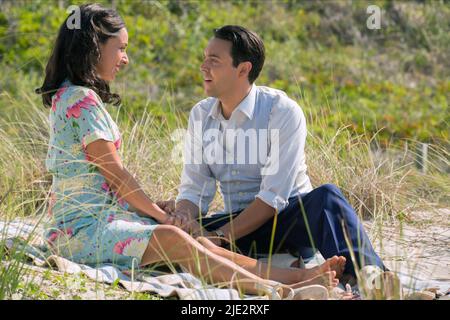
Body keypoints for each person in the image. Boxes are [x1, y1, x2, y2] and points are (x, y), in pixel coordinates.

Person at [36, 4, 348, 299]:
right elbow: (116, 175)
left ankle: (297, 278)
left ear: (244, 69)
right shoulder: (80, 100)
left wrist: (160, 212)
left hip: (108, 218)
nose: (125, 58)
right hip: (78, 230)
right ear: (94, 47)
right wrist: (163, 215)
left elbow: (102, 179)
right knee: (178, 238)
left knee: (194, 239)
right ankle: (278, 290)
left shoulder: (77, 96)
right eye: (121, 48)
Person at [173, 25, 387, 282]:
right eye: (205, 57)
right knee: (167, 231)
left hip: (287, 223)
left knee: (328, 198)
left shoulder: (281, 111)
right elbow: (194, 189)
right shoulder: (201, 114)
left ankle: (372, 279)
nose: (203, 66)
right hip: (237, 226)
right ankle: (293, 273)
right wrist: (183, 215)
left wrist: (218, 237)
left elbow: (273, 199)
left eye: (214, 60)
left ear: (243, 69)